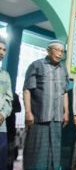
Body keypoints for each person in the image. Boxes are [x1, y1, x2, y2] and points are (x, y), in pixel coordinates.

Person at [23, 40, 69, 170]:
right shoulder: (36, 65)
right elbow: (27, 89)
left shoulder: (63, 69)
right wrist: (28, 112)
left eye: (62, 51)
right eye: (57, 50)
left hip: (57, 119)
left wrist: (66, 112)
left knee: (54, 154)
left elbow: (64, 92)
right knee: (36, 153)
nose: (60, 54)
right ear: (48, 50)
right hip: (39, 118)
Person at [0, 37, 13, 170]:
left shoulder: (5, 75)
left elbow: (9, 99)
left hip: (1, 126)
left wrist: (3, 114)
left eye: (4, 49)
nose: (2, 52)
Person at [6, 93, 21, 170]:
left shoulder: (13, 95)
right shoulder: (13, 95)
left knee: (9, 154)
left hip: (10, 128)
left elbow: (19, 109)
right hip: (10, 127)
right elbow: (19, 109)